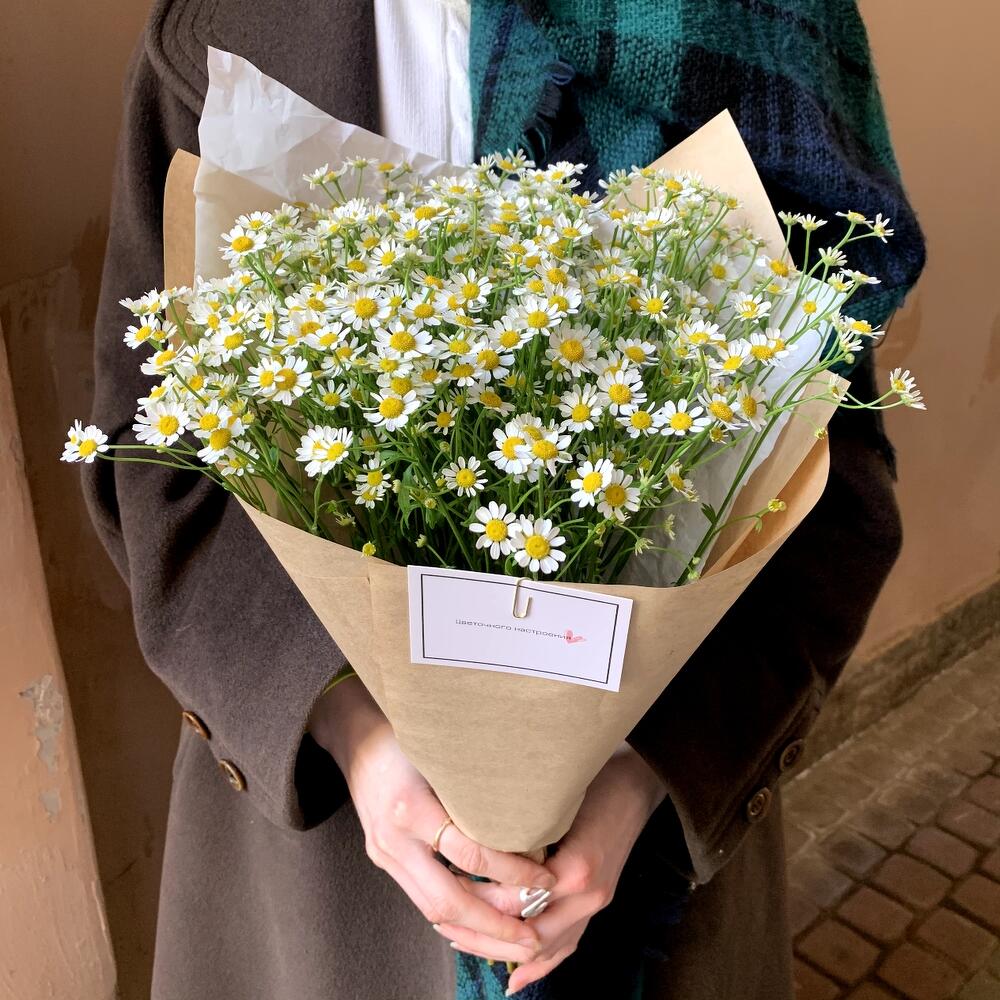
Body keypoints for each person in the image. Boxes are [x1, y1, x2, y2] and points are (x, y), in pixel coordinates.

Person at [83, 1, 923, 998]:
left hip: (655, 839)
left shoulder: (760, 21)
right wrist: (355, 733)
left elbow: (824, 458)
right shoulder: (219, 29)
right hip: (323, 871)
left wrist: (642, 768)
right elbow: (156, 444)